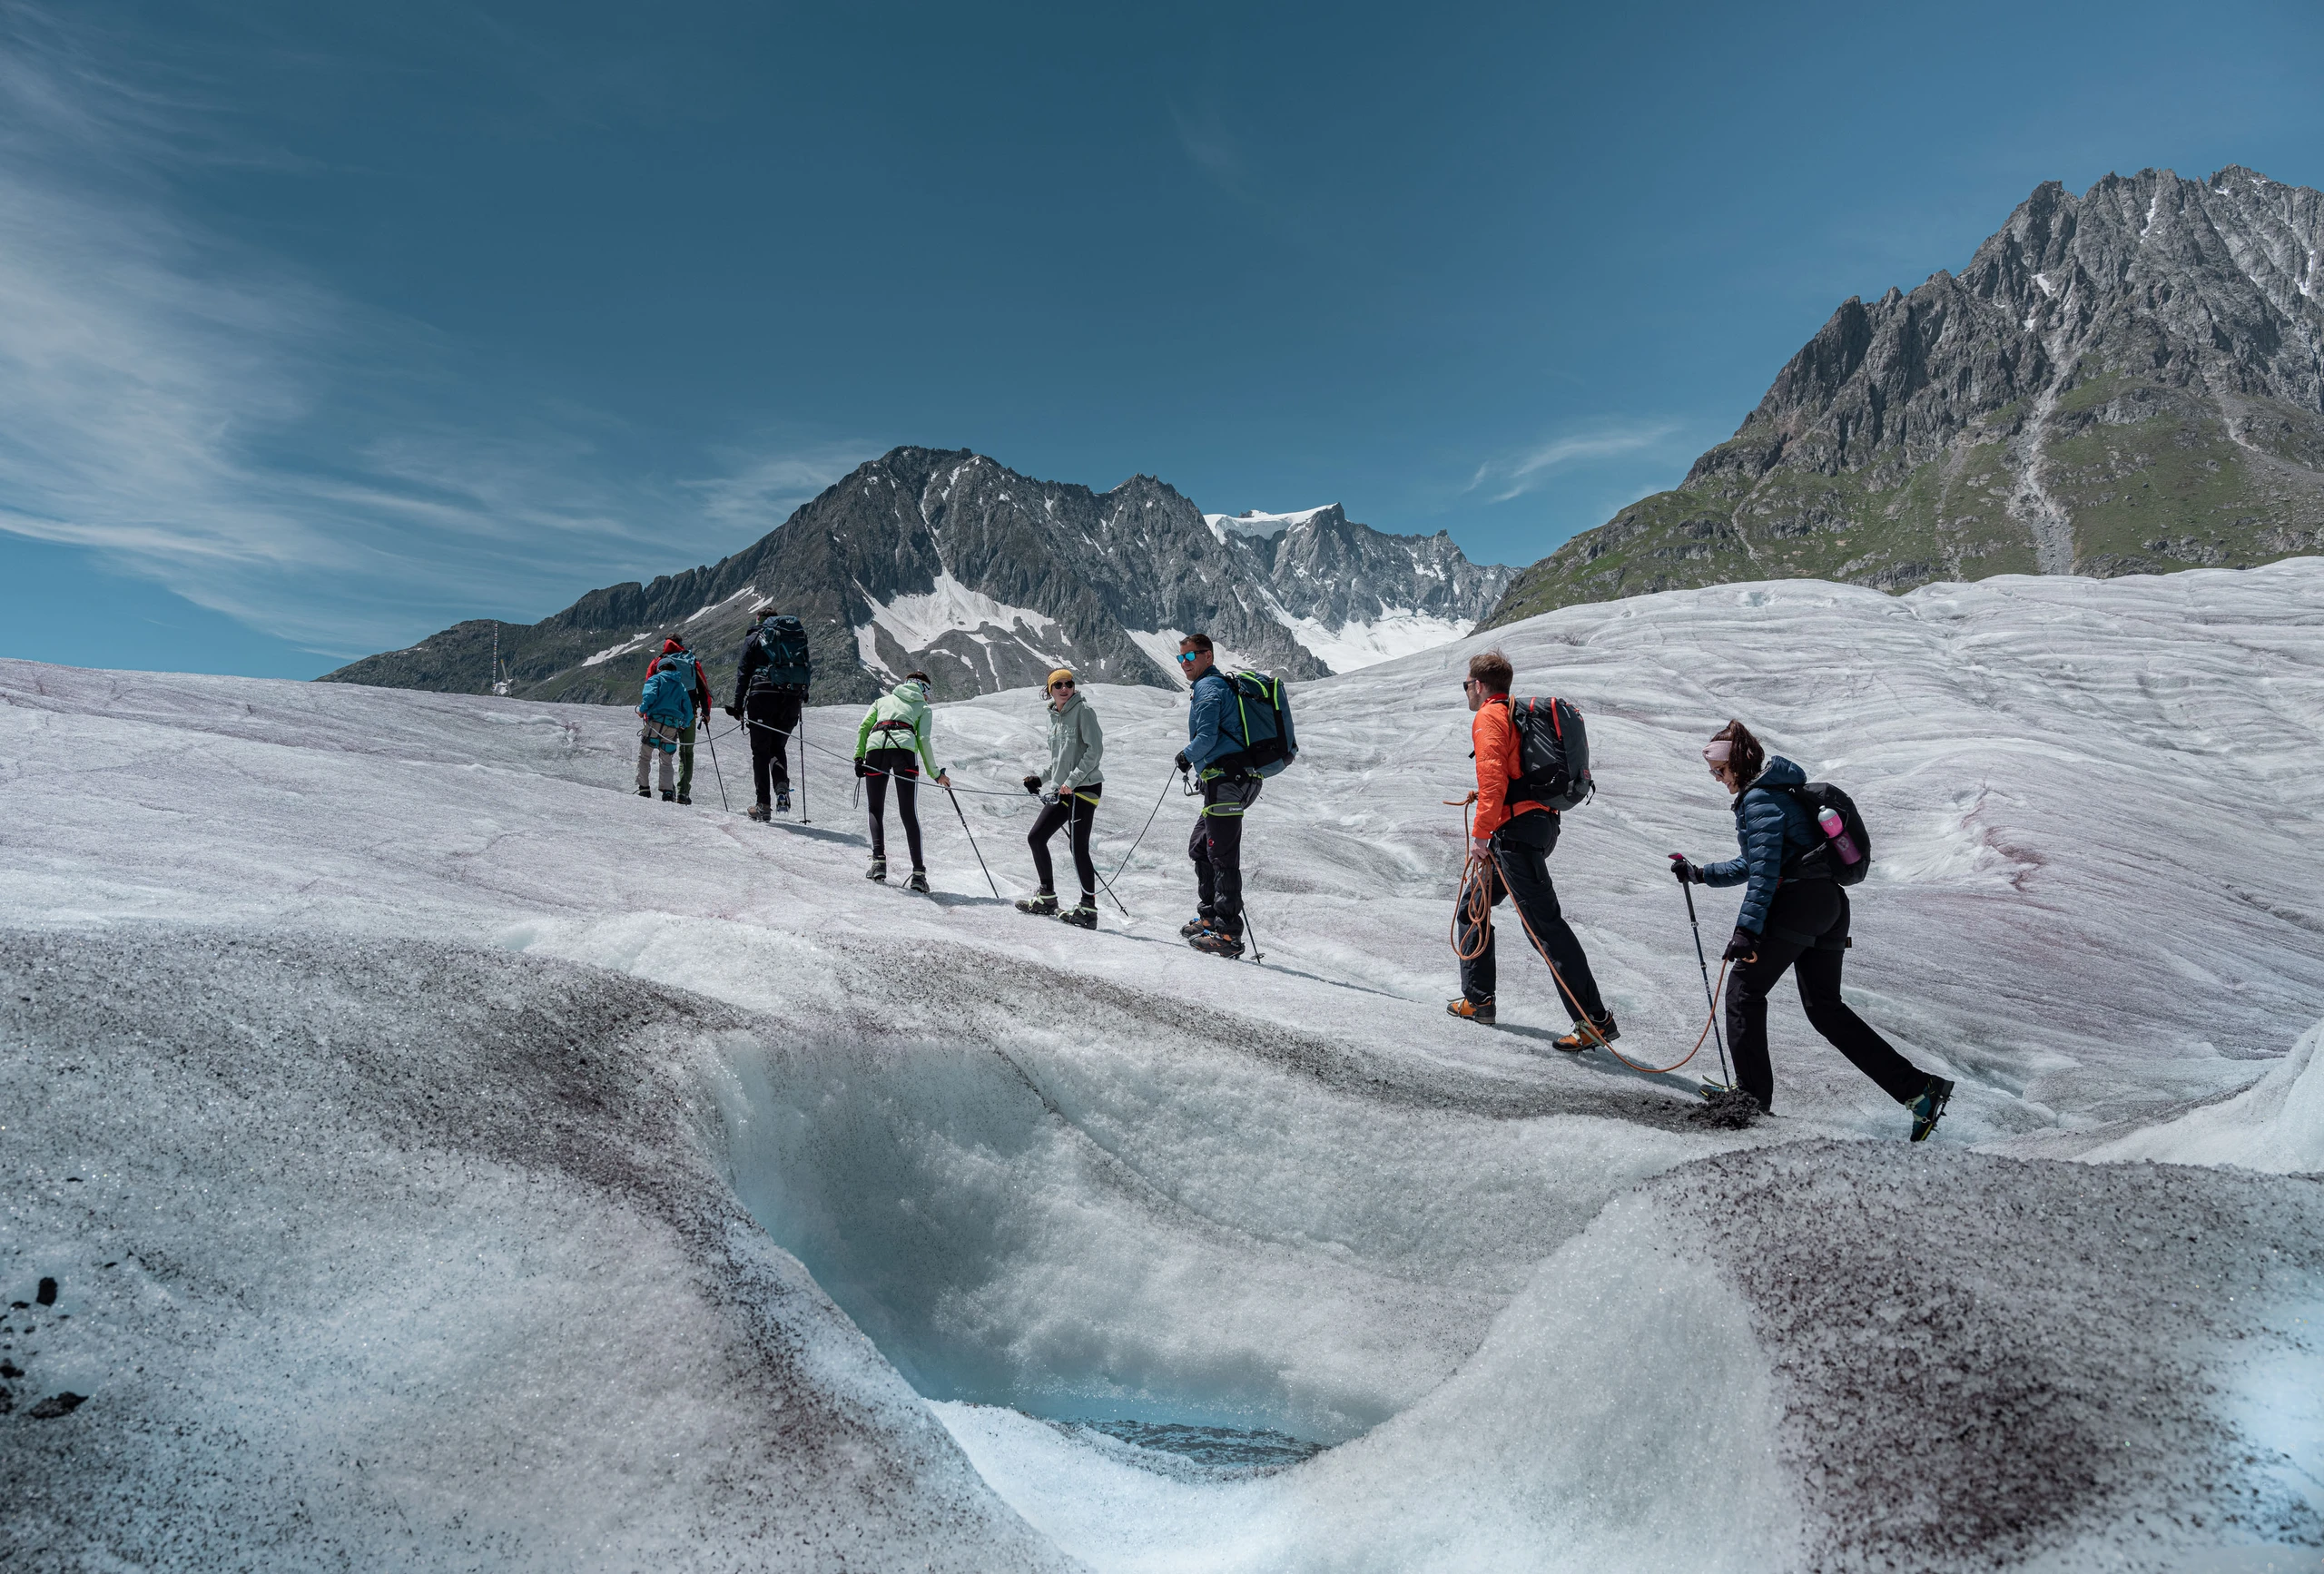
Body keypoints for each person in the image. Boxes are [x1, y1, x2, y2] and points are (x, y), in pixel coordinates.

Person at [1673, 719, 1954, 1140]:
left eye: (1718, 770)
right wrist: (1699, 873)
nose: (1716, 778)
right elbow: (1755, 864)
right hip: (1828, 905)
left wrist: (1746, 931)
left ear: (1738, 765)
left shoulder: (1761, 800)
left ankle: (1751, 1099)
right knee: (1825, 1009)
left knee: (1743, 992)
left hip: (1798, 904)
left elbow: (1765, 876)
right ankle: (1920, 1090)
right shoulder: (1774, 795)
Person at [1446, 651, 1616, 1049]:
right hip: (1537, 826)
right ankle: (1478, 1000)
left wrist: (1481, 836)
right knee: (1474, 907)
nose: (1466, 691)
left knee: (1544, 928)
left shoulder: (1490, 715)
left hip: (1513, 834)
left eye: (1466, 684)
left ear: (1481, 685)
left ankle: (1595, 1021)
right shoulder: (1514, 714)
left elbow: (1492, 780)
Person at [1174, 633, 1267, 958]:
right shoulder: (1211, 686)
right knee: (1201, 848)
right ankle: (1210, 917)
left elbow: (1207, 736)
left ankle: (1228, 935)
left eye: (1190, 657)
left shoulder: (1209, 688)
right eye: (1180, 658)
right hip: (1224, 781)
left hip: (1228, 781)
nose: (1185, 663)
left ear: (1207, 657)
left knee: (1223, 857)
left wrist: (1186, 755)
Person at [1016, 668, 1105, 929]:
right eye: (1059, 685)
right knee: (1036, 837)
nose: (1065, 688)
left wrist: (1071, 782)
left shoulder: (1083, 711)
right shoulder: (1053, 718)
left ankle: (1088, 909)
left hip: (1085, 788)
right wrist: (1040, 779)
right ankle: (1047, 898)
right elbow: (1059, 761)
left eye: (1069, 684)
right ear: (1050, 690)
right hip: (1064, 789)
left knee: (1078, 847)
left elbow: (1094, 751)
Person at [852, 671, 950, 893]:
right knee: (908, 813)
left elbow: (863, 727)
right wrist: (936, 774)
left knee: (875, 809)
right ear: (924, 690)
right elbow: (923, 740)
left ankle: (878, 863)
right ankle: (918, 875)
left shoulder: (882, 701)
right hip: (904, 752)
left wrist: (859, 757)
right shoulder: (924, 708)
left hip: (875, 750)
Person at [728, 605, 812, 822]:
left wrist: (738, 706)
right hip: (790, 699)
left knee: (760, 752)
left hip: (762, 697)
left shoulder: (755, 637)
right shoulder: (792, 637)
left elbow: (743, 672)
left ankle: (763, 804)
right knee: (778, 747)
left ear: (759, 619)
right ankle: (781, 787)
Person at [643, 637, 714, 804]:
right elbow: (703, 687)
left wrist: (646, 713)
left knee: (664, 753)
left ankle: (669, 789)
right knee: (686, 753)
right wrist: (706, 711)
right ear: (681, 644)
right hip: (689, 713)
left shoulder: (658, 662)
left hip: (664, 718)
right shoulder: (690, 660)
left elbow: (649, 685)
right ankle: (683, 793)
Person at [634, 641, 699, 802]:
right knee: (666, 760)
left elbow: (649, 697)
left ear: (660, 668)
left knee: (645, 756)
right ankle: (667, 792)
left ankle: (644, 788)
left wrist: (642, 711)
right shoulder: (681, 686)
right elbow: (688, 711)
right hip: (672, 726)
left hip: (654, 723)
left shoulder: (655, 680)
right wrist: (683, 724)